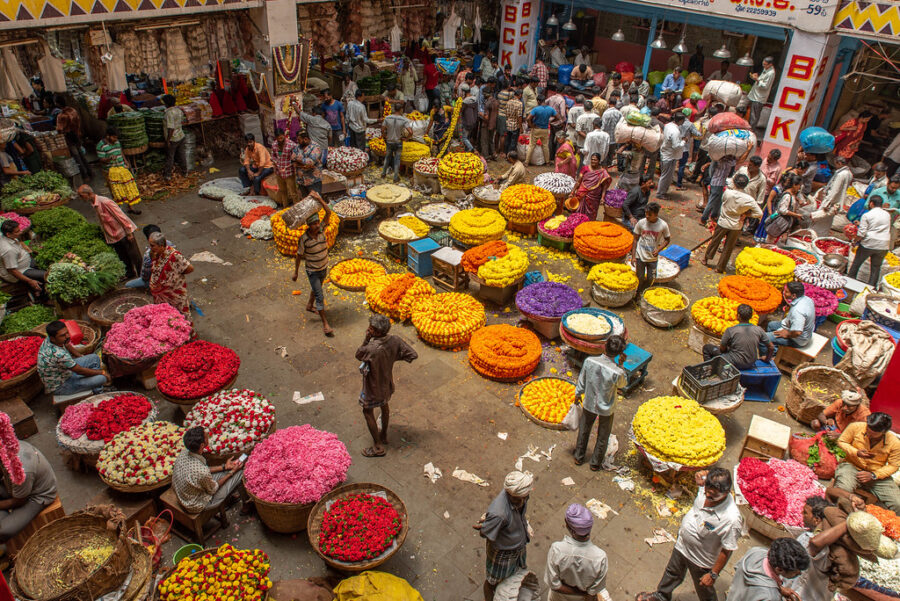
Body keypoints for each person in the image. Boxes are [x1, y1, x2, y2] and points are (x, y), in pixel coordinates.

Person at [637, 468, 743, 601]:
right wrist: (700, 477)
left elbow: (727, 550)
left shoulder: (731, 519)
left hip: (700, 560)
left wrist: (713, 574)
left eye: (712, 496)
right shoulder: (706, 488)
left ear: (726, 493)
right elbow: (703, 483)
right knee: (672, 573)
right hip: (682, 546)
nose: (707, 497)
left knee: (704, 589)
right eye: (706, 492)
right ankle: (661, 596)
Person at [355, 314, 417, 457]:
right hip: (386, 383)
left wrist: (366, 339)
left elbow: (358, 354)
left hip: (373, 386)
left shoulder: (371, 348)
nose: (368, 329)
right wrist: (393, 358)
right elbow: (412, 354)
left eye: (370, 328)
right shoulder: (395, 340)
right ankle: (383, 434)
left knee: (367, 411)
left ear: (376, 332)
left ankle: (378, 446)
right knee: (384, 406)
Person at [476, 470, 533, 601]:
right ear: (511, 495)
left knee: (514, 573)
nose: (523, 500)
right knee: (492, 581)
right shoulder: (499, 514)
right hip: (502, 553)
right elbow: (484, 533)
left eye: (525, 497)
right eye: (520, 498)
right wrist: (490, 524)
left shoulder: (521, 497)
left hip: (517, 546)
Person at [574, 334, 626, 471]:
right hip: (607, 407)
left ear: (604, 346)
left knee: (584, 430)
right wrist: (620, 365)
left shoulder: (590, 361)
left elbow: (582, 380)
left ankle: (578, 457)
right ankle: (595, 464)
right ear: (620, 353)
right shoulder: (617, 372)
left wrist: (577, 394)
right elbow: (622, 384)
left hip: (589, 402)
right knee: (603, 435)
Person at [173, 427, 247, 514]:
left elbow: (203, 470)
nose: (208, 435)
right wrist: (232, 472)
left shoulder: (184, 452)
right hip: (196, 504)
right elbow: (213, 488)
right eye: (206, 436)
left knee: (225, 473)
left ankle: (229, 497)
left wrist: (224, 467)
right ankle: (246, 505)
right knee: (240, 472)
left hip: (186, 493)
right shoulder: (201, 472)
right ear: (202, 445)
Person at [834, 413, 900, 512]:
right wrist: (856, 452)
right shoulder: (855, 427)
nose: (868, 434)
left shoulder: (894, 443)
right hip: (852, 466)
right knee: (843, 491)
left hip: (876, 474)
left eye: (873, 434)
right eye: (868, 430)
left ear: (883, 432)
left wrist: (873, 475)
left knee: (897, 503)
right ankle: (839, 514)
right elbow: (841, 442)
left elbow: (893, 466)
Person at [545, 503, 611, 601]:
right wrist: (583, 593)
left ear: (567, 525)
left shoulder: (557, 550)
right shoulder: (600, 558)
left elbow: (554, 585)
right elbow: (592, 592)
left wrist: (577, 592)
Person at [0, 437, 57, 546]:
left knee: (2, 531)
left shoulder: (21, 469)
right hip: (19, 487)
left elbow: (19, 501)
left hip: (37, 496)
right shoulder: (5, 448)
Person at [292, 192, 333, 336]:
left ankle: (309, 305)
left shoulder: (322, 229)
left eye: (317, 223)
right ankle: (325, 324)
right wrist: (296, 272)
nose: (316, 225)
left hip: (324, 267)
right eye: (314, 224)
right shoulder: (304, 239)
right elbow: (298, 256)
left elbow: (328, 212)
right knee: (319, 295)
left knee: (317, 289)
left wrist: (319, 199)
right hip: (313, 271)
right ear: (308, 226)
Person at [78, 184, 141, 279]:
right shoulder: (95, 204)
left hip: (123, 234)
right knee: (123, 257)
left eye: (81, 195)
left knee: (134, 256)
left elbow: (121, 217)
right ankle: (130, 274)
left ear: (89, 193)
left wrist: (129, 233)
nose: (80, 198)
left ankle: (142, 275)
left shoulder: (105, 202)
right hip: (113, 236)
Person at [703, 173, 762, 273]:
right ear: (746, 185)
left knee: (715, 241)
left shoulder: (727, 193)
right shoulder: (749, 199)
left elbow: (723, 202)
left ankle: (706, 259)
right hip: (736, 225)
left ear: (734, 183)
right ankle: (720, 267)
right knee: (728, 247)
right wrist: (747, 214)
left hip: (723, 222)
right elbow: (759, 213)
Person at [37, 320, 109, 396]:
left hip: (64, 372)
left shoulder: (50, 339)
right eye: (63, 335)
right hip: (61, 385)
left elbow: (67, 344)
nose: (67, 336)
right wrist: (103, 373)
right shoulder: (59, 354)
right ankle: (99, 392)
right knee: (102, 378)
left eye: (67, 332)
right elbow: (80, 371)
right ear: (53, 338)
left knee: (94, 358)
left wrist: (81, 357)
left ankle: (96, 388)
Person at [727, 538, 810, 601]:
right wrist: (774, 591)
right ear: (779, 569)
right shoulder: (770, 596)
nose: (799, 573)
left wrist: (779, 588)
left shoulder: (756, 552)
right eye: (796, 572)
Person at [703, 304, 774, 369]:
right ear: (751, 316)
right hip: (751, 362)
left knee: (707, 348)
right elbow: (771, 347)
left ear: (738, 316)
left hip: (735, 362)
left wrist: (728, 349)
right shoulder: (759, 329)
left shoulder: (730, 330)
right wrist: (767, 359)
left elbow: (722, 349)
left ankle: (709, 370)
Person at [848, 195, 891, 286]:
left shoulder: (867, 215)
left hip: (869, 244)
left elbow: (861, 233)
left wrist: (854, 241)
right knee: (876, 268)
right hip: (883, 245)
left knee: (856, 264)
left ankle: (849, 284)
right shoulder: (887, 214)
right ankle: (871, 287)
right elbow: (877, 225)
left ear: (871, 203)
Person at [147, 232, 193, 317]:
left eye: (152, 245)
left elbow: (189, 268)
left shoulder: (174, 256)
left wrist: (175, 276)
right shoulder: (154, 254)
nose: (150, 248)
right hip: (161, 297)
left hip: (175, 295)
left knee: (180, 319)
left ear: (161, 245)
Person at [631, 203, 671, 293]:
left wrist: (658, 249)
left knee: (651, 278)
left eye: (650, 214)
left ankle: (645, 292)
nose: (647, 216)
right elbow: (635, 240)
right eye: (646, 213)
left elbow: (667, 240)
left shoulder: (663, 225)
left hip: (652, 257)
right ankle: (637, 293)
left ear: (656, 214)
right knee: (639, 278)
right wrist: (633, 256)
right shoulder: (641, 223)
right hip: (640, 255)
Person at [766, 281, 815, 349]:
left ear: (794, 295)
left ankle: (771, 355)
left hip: (797, 339)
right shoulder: (807, 299)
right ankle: (774, 347)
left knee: (765, 338)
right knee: (771, 325)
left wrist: (787, 334)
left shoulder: (797, 311)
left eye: (786, 291)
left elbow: (797, 332)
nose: (784, 292)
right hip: (792, 327)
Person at [812, 155, 853, 236]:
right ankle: (821, 234)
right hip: (836, 202)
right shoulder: (849, 173)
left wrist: (827, 203)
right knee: (827, 221)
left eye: (836, 164)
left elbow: (835, 190)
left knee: (821, 219)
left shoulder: (841, 174)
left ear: (839, 163)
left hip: (831, 201)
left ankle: (816, 234)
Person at [0, 221, 43, 294]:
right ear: (8, 234)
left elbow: (20, 244)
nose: (21, 231)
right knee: (45, 275)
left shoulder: (7, 237)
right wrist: (30, 281)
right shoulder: (8, 250)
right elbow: (12, 271)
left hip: (24, 262)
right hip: (21, 270)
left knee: (43, 264)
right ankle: (42, 296)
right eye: (17, 231)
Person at [55, 101, 91, 180]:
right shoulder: (73, 112)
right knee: (81, 155)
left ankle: (85, 175)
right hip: (76, 136)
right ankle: (90, 172)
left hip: (69, 138)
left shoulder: (62, 116)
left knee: (77, 157)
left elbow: (59, 128)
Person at [700, 154, 739, 226]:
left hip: (715, 182)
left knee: (716, 201)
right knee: (713, 201)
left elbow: (711, 172)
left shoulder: (717, 159)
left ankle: (713, 216)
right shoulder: (731, 162)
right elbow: (730, 174)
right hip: (719, 183)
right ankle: (704, 218)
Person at [765, 173, 804, 244]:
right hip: (780, 222)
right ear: (794, 185)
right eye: (799, 186)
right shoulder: (787, 196)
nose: (799, 188)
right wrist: (796, 215)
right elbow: (783, 210)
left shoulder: (792, 195)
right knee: (771, 241)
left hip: (784, 223)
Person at [571, 153, 611, 220]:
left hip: (594, 197)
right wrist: (572, 192)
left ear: (599, 161)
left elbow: (604, 186)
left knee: (591, 214)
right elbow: (578, 181)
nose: (593, 161)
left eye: (595, 160)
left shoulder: (603, 172)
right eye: (592, 159)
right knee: (578, 211)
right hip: (581, 194)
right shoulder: (585, 168)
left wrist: (603, 197)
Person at [657, 112, 686, 199]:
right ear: (681, 121)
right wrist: (684, 141)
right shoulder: (675, 131)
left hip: (666, 153)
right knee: (666, 176)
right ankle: (660, 193)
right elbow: (676, 146)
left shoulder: (668, 125)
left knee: (666, 175)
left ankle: (663, 192)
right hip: (669, 155)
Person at [270, 129, 297, 209]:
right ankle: (285, 207)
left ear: (284, 136)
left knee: (293, 192)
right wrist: (276, 163)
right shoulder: (274, 145)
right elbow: (273, 156)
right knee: (283, 191)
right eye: (278, 138)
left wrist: (289, 165)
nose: (279, 140)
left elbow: (295, 158)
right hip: (279, 172)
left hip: (289, 172)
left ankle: (296, 208)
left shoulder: (291, 145)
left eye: (281, 138)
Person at [293, 130, 324, 198]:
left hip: (313, 181)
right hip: (301, 181)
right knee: (305, 202)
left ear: (306, 139)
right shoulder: (298, 147)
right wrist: (303, 163)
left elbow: (310, 162)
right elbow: (292, 157)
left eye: (299, 140)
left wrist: (299, 160)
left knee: (315, 201)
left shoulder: (316, 147)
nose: (298, 142)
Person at [525, 96, 555, 166]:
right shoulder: (550, 109)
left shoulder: (536, 109)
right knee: (545, 146)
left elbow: (528, 118)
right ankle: (547, 162)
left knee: (531, 145)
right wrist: (550, 121)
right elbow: (558, 117)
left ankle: (526, 162)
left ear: (538, 101)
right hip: (545, 129)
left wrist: (531, 125)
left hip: (536, 129)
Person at [748, 57, 776, 130]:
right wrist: (757, 78)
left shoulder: (771, 73)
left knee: (754, 116)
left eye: (765, 65)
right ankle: (748, 128)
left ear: (770, 64)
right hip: (755, 94)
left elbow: (765, 86)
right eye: (763, 64)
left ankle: (751, 130)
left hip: (759, 97)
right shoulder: (765, 69)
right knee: (751, 114)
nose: (764, 66)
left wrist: (757, 80)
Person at [163, 94, 185, 181]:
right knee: (182, 155)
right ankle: (184, 171)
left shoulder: (169, 113)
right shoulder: (179, 110)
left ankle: (168, 175)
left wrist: (168, 140)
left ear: (166, 103)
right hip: (181, 135)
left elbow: (171, 128)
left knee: (170, 157)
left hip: (173, 138)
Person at [600, 95, 622, 168]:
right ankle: (607, 167)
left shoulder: (606, 113)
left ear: (608, 102)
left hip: (606, 138)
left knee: (604, 154)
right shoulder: (619, 113)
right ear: (615, 103)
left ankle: (605, 168)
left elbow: (603, 126)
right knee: (611, 154)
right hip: (614, 138)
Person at [480, 90, 499, 159]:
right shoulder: (496, 102)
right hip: (494, 124)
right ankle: (493, 154)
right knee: (491, 140)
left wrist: (481, 114)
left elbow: (486, 117)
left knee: (484, 140)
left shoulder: (487, 103)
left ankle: (486, 156)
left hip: (487, 124)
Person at [504, 89, 524, 156]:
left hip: (508, 123)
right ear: (520, 95)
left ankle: (506, 153)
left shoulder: (508, 102)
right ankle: (510, 155)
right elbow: (519, 116)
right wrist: (521, 127)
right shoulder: (519, 104)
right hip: (515, 125)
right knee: (513, 142)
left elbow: (506, 113)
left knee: (508, 140)